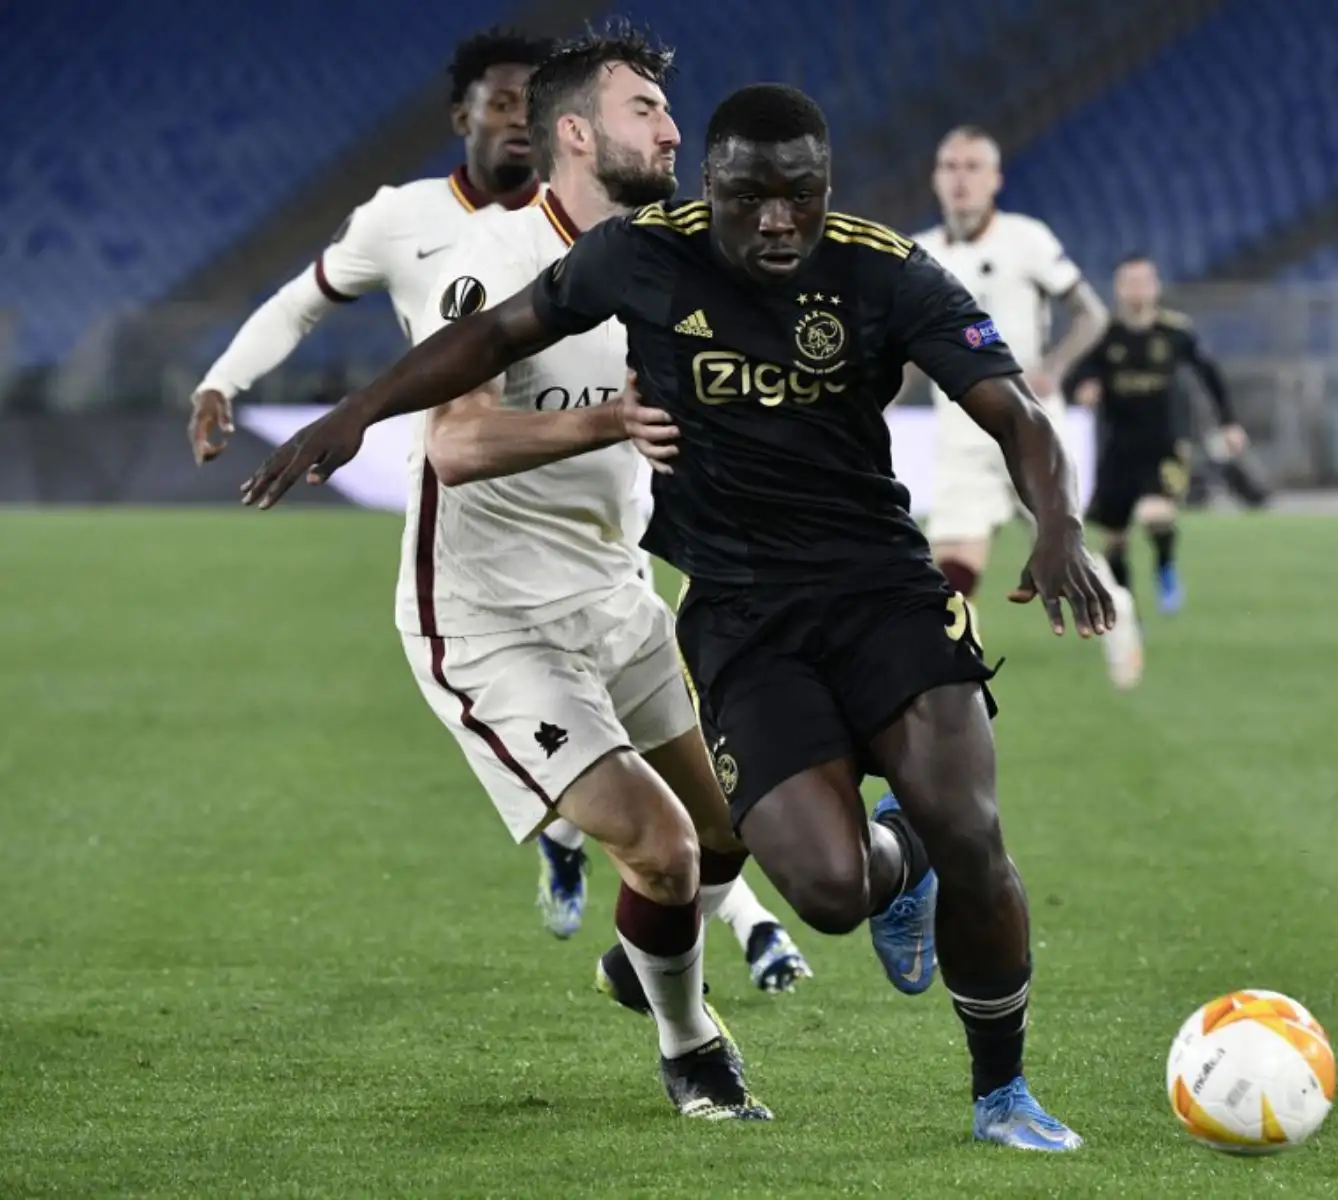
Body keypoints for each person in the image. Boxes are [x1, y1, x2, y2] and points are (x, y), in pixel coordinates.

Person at [240, 83, 1115, 1152]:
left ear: (826, 187)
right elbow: (494, 336)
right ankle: (898, 864)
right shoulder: (644, 256)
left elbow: (1016, 411)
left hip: (883, 588)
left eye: (802, 194)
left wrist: (1059, 527)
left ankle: (1002, 1095)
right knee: (831, 892)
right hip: (742, 616)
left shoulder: (884, 268)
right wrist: (357, 413)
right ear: (714, 188)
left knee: (971, 827)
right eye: (753, 195)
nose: (779, 219)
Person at [186, 28, 801, 969]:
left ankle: (642, 960)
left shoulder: (675, 260)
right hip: (494, 616)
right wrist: (228, 380)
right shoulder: (475, 252)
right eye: (648, 110)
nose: (676, 131)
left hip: (614, 592)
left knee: (734, 827)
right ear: (576, 134)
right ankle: (692, 1047)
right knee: (664, 846)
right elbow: (456, 441)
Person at [912, 126, 1143, 689]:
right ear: (936, 178)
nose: (960, 178)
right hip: (960, 430)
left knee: (1066, 554)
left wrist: (1055, 368)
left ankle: (1120, 618)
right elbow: (907, 353)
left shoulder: (1026, 239)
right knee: (952, 572)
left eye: (972, 167)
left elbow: (1090, 314)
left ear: (995, 179)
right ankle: (957, 683)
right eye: (950, 166)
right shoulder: (918, 254)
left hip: (1029, 425)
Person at [1067, 254, 1253, 615]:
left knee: (1156, 515)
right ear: (1119, 289)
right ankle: (1125, 606)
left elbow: (1209, 375)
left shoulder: (1175, 332)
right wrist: (1083, 389)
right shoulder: (1104, 335)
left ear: (1155, 287)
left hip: (1164, 445)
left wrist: (1228, 422)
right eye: (1129, 283)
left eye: (1144, 282)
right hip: (1117, 449)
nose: (1137, 290)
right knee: (1115, 537)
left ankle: (1165, 567)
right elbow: (1077, 375)